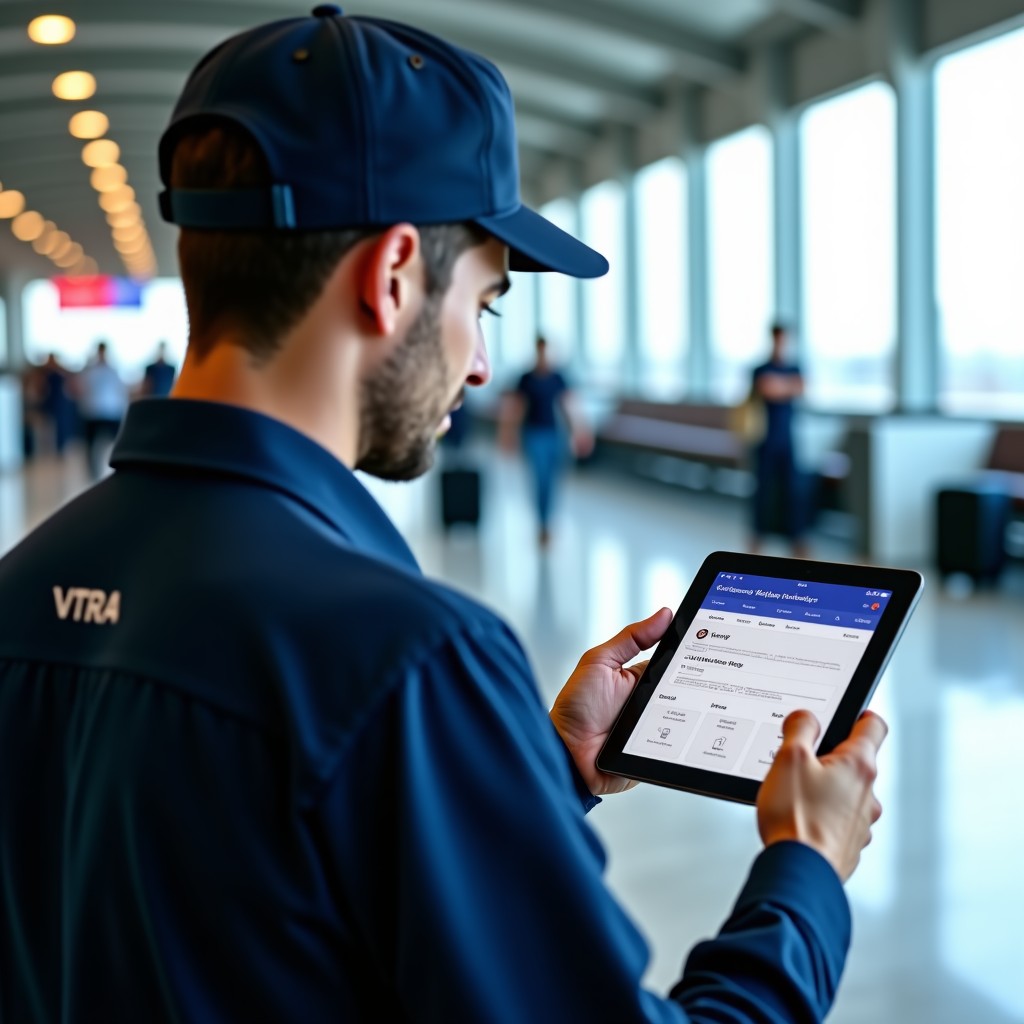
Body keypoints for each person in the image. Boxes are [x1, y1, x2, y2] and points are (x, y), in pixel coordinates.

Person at [0, 9, 886, 1021]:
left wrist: (527, 770)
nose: (476, 363)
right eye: (486, 303)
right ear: (390, 276)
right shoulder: (404, 660)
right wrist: (806, 871)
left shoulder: (24, 586)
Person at [499, 334, 592, 545]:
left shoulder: (558, 377)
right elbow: (516, 409)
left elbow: (569, 407)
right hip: (533, 436)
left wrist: (581, 432)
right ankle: (542, 523)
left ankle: (548, 521)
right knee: (539, 479)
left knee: (552, 480)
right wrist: (508, 434)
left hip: (555, 436)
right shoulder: (526, 378)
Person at [749, 322, 808, 557]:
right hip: (764, 439)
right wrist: (787, 387)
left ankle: (797, 538)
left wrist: (779, 386)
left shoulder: (794, 366)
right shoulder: (760, 368)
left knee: (792, 489)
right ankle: (757, 537)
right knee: (762, 490)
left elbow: (799, 389)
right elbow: (769, 390)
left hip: (788, 439)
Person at [73, 340, 128, 479]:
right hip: (93, 412)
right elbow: (80, 389)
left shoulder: (113, 370)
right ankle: (93, 474)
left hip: (111, 412)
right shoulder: (89, 370)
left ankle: (115, 471)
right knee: (91, 446)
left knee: (114, 444)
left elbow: (120, 390)